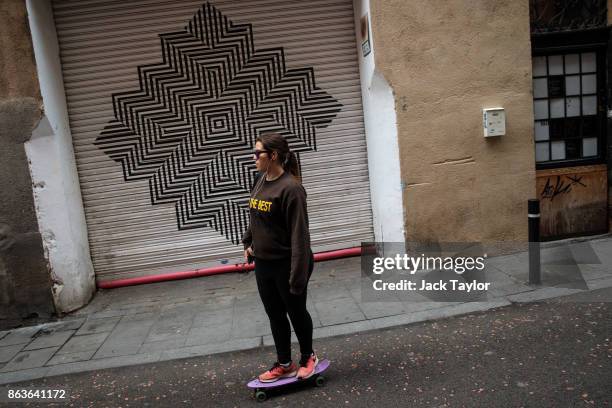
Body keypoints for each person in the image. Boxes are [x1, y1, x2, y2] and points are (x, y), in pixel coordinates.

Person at [242, 133, 318, 382]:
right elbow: (255, 214)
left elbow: (300, 237)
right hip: (264, 264)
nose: (253, 158)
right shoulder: (259, 179)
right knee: (275, 315)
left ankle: (308, 356)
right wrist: (249, 242)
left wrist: (298, 276)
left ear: (272, 156)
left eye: (257, 154)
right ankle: (285, 362)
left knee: (296, 312)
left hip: (288, 264)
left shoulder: (292, 189)